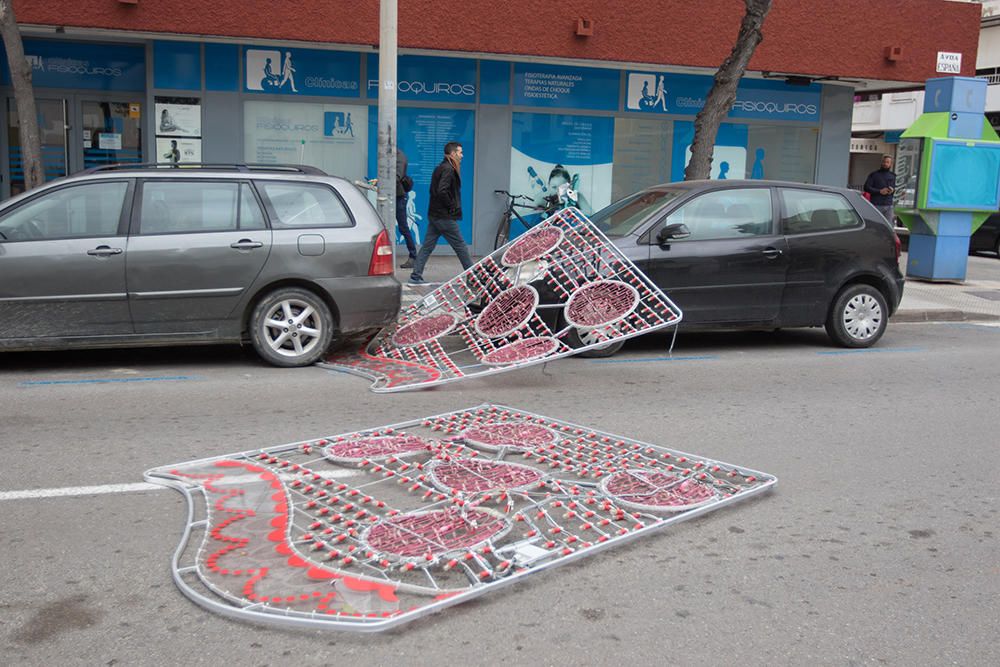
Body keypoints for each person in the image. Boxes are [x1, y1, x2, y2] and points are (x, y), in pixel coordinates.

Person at [408, 142, 474, 285]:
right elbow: (441, 191)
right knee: (460, 246)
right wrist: (452, 206)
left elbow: (435, 191)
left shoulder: (440, 168)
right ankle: (473, 277)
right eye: (460, 152)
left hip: (435, 215)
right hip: (444, 216)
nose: (462, 155)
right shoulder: (448, 169)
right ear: (453, 154)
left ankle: (415, 276)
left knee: (427, 246)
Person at [395, 148, 418, 269]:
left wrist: (382, 182)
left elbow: (396, 176)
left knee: (404, 228)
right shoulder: (394, 156)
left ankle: (413, 256)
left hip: (398, 197)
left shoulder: (399, 156)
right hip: (394, 196)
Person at [864, 154, 897, 225]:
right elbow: (866, 187)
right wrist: (879, 191)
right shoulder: (874, 175)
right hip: (876, 204)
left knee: (889, 227)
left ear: (891, 164)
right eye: (884, 162)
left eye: (887, 162)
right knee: (875, 225)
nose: (885, 164)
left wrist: (892, 190)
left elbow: (894, 189)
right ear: (881, 162)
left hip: (889, 205)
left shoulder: (893, 176)